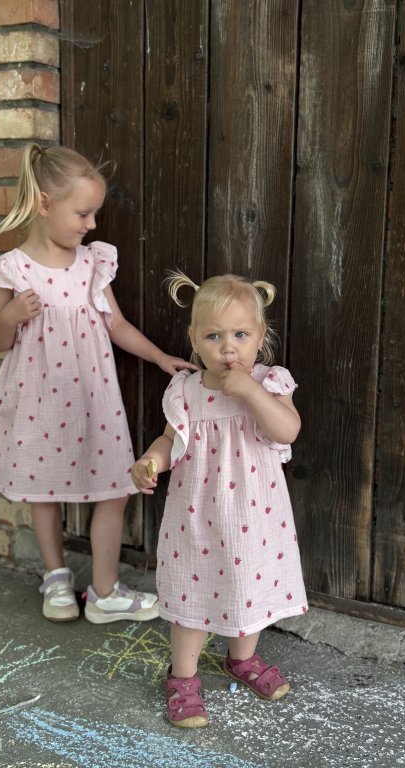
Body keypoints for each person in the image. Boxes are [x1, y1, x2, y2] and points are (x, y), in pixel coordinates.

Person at [0, 143, 197, 625]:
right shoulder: (11, 269)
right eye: (83, 213)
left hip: (94, 400)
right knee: (43, 490)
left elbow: (116, 324)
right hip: (38, 401)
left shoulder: (92, 262)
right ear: (44, 203)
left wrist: (160, 357)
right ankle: (56, 579)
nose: (92, 225)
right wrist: (10, 315)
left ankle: (104, 593)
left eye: (94, 214)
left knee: (115, 487)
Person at [131, 270, 308, 728]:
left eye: (240, 335)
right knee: (192, 592)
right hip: (197, 516)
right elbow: (170, 440)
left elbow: (286, 430)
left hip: (255, 515)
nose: (228, 348)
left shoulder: (270, 383)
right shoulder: (187, 391)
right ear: (194, 340)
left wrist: (250, 391)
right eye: (214, 336)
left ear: (260, 337)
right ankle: (183, 677)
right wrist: (151, 461)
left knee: (248, 583)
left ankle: (241, 659)